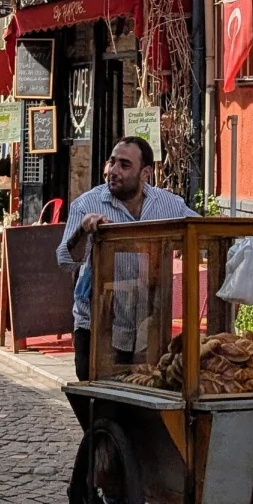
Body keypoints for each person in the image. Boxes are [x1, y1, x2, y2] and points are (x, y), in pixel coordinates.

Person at [57, 136, 197, 381]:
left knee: (146, 391)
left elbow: (201, 234)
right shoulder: (87, 204)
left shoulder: (168, 205)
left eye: (124, 165)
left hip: (149, 327)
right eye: (112, 162)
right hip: (98, 326)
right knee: (95, 396)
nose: (114, 171)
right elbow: (65, 261)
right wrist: (83, 230)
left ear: (145, 173)